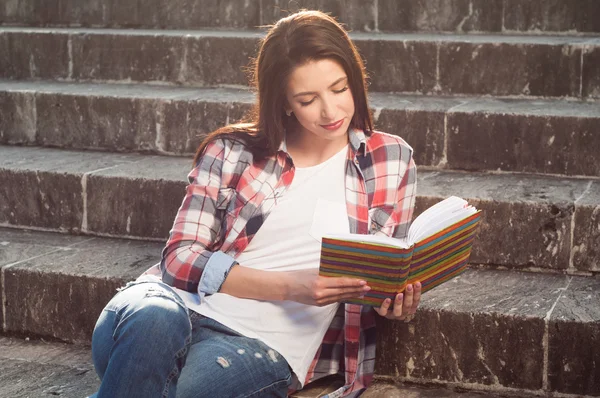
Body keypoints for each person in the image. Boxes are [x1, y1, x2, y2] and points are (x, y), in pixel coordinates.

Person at [89, 9, 421, 398]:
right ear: (284, 102)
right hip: (166, 308)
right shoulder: (231, 150)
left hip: (262, 342)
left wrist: (394, 301)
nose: (331, 111)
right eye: (308, 99)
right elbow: (178, 258)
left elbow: (382, 269)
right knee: (155, 322)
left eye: (339, 88)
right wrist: (290, 287)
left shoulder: (390, 158)